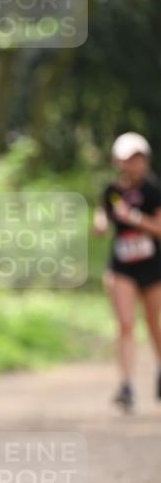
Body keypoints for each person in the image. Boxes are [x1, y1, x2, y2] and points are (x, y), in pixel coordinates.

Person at [93, 131, 161, 411]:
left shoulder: (154, 190)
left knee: (154, 324)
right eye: (127, 159)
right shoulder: (112, 191)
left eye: (137, 159)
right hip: (122, 267)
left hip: (153, 267)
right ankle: (126, 385)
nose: (132, 164)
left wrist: (134, 218)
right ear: (117, 161)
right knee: (125, 324)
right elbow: (102, 215)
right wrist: (100, 223)